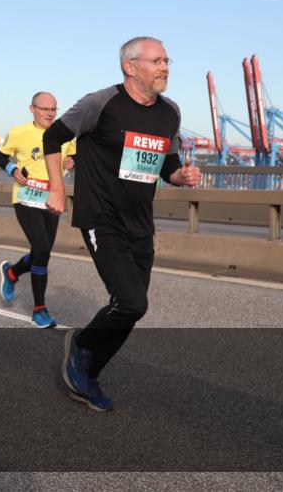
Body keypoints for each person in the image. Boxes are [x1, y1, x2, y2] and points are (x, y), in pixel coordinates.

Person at [43, 36, 201, 412]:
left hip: (140, 223)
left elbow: (167, 164)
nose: (165, 67)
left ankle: (87, 372)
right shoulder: (101, 103)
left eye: (167, 60)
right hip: (101, 216)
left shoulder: (170, 112)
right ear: (130, 66)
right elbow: (53, 136)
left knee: (133, 307)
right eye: (156, 61)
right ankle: (81, 348)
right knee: (130, 302)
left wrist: (181, 176)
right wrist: (57, 188)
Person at [0, 92, 76, 328]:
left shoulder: (64, 134)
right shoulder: (19, 132)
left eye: (53, 109)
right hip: (26, 198)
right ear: (32, 109)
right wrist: (12, 169)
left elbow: (74, 156)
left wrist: (73, 161)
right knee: (41, 248)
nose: (50, 114)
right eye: (45, 109)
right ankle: (39, 309)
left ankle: (12, 273)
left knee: (43, 252)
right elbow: (1, 156)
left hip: (52, 198)